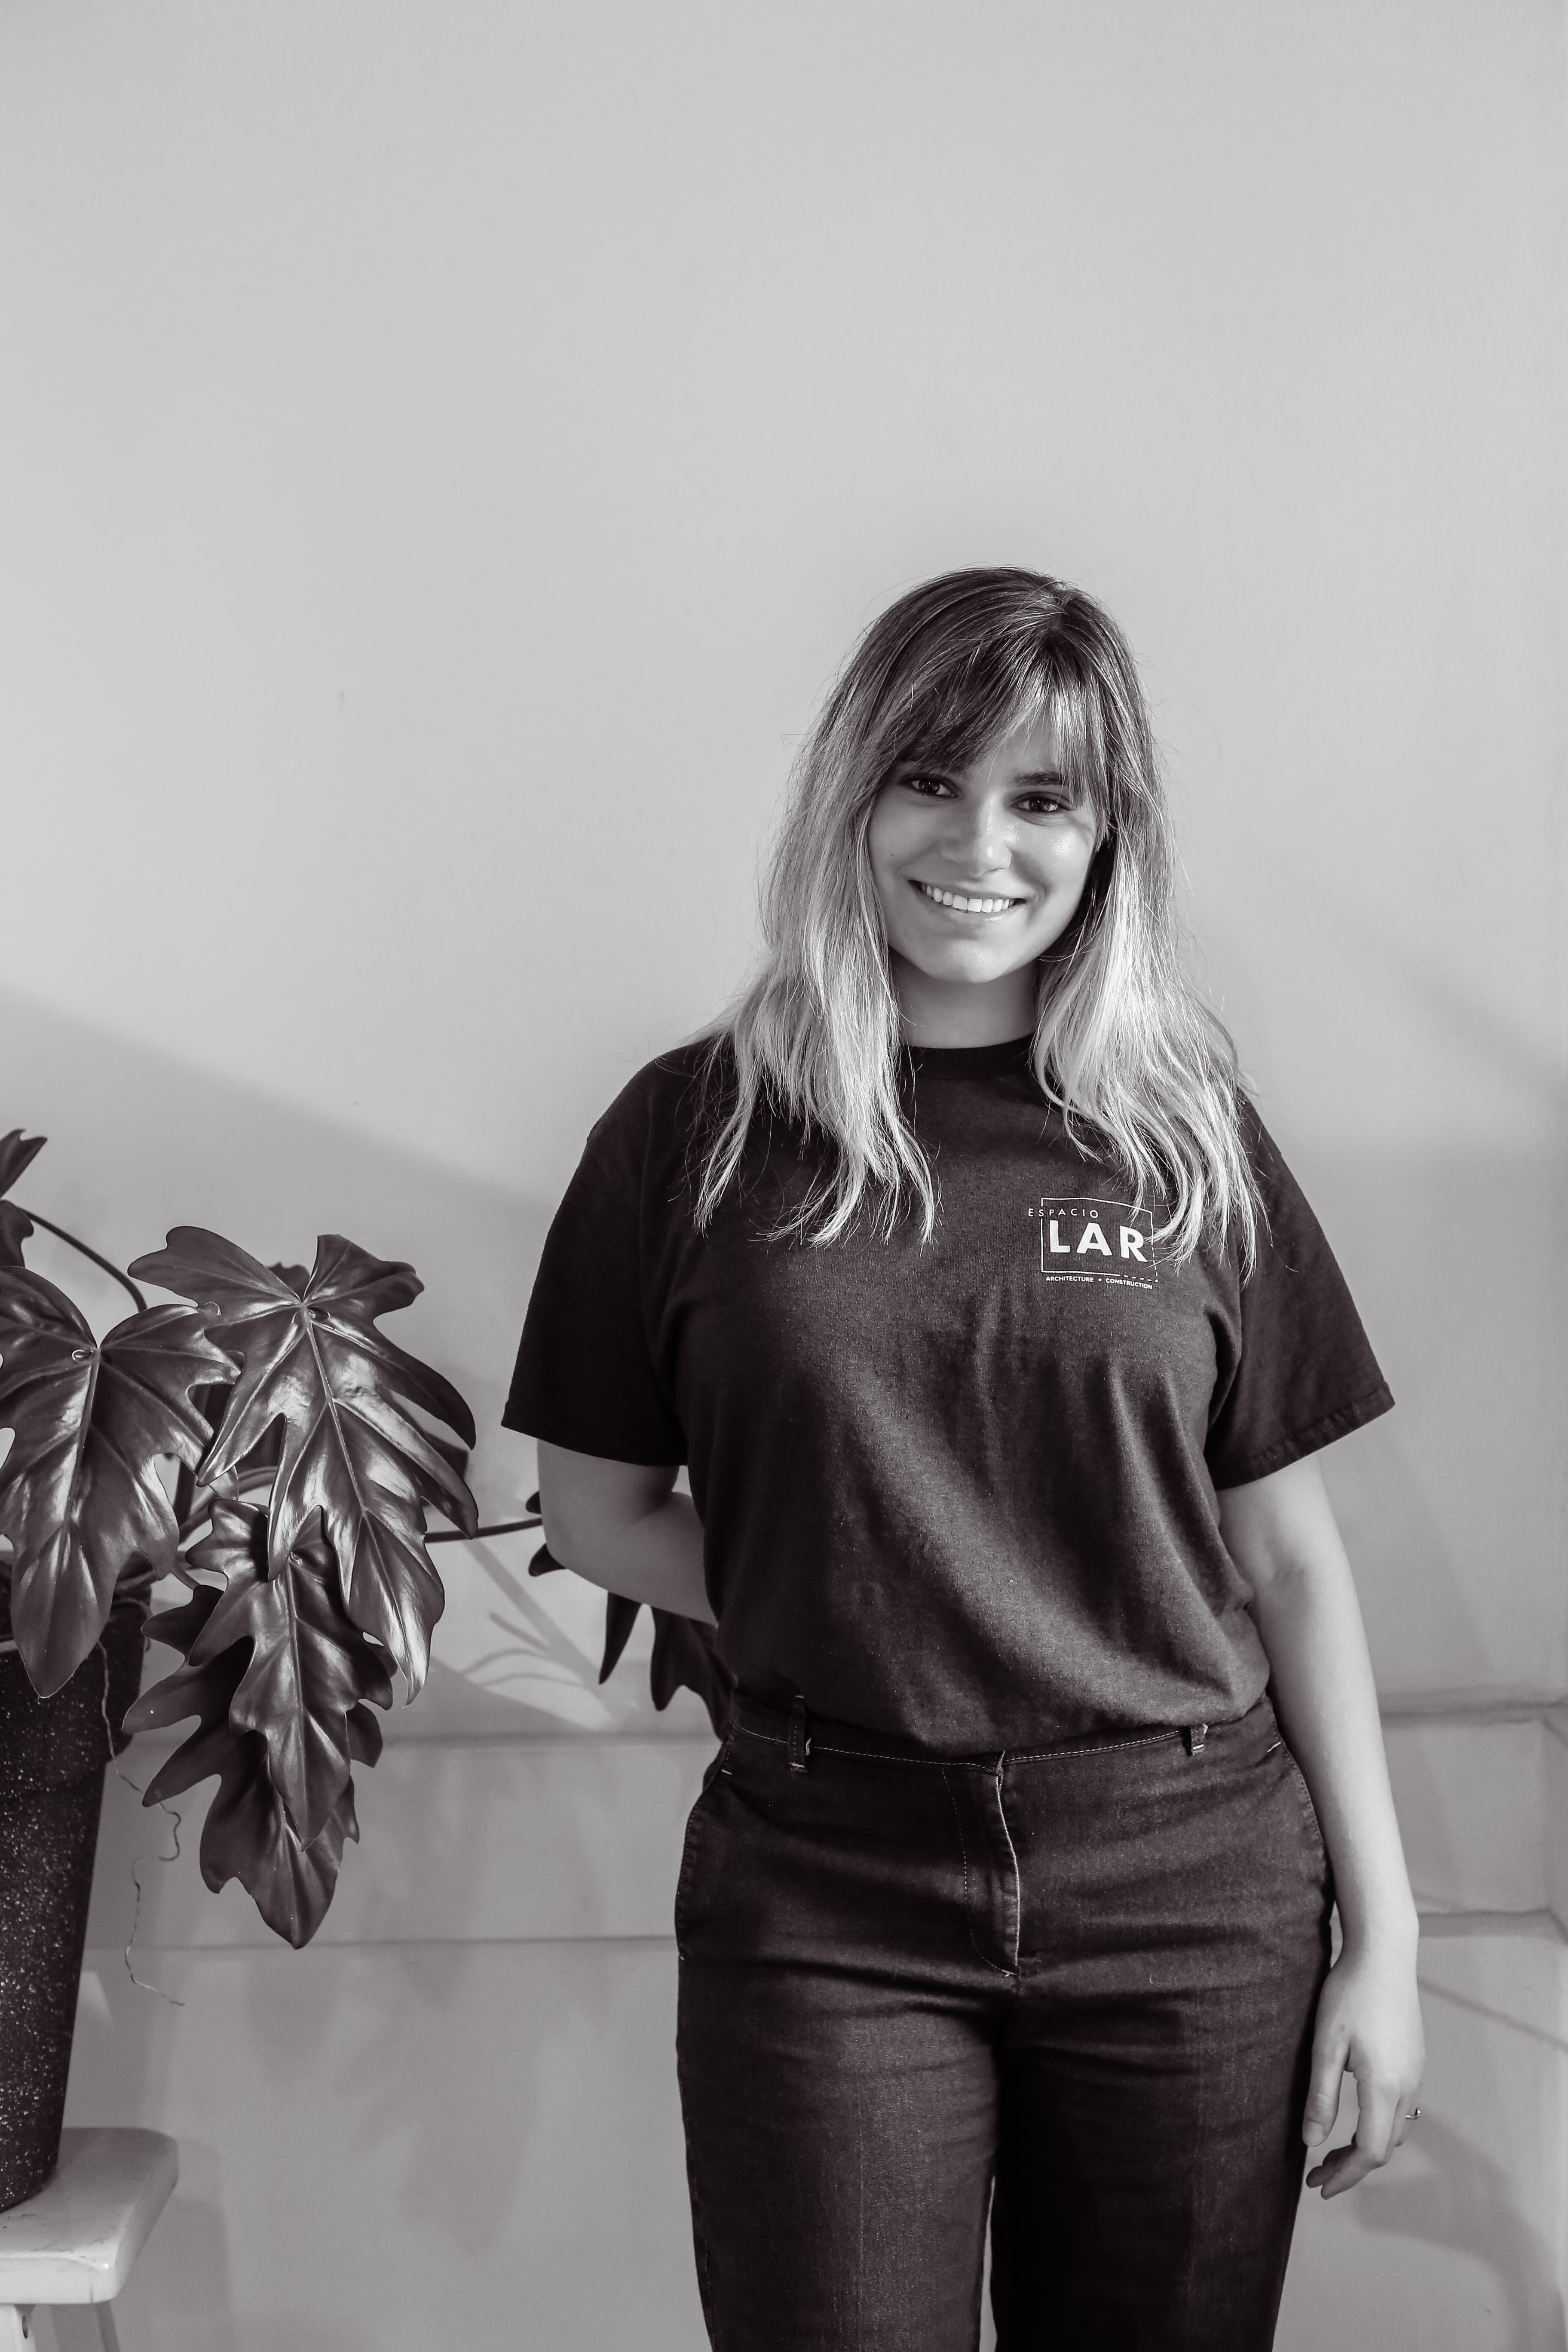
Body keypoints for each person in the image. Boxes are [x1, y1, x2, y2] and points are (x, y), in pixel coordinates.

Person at [502, 569, 1424, 2352]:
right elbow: (596, 1514)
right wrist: (854, 1585)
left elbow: (1292, 1561)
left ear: (1107, 838)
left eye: (1044, 796)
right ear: (853, 793)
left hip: (1192, 1885)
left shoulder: (1184, 1137)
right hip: (828, 1886)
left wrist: (1386, 1945)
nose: (980, 841)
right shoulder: (691, 1134)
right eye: (931, 778)